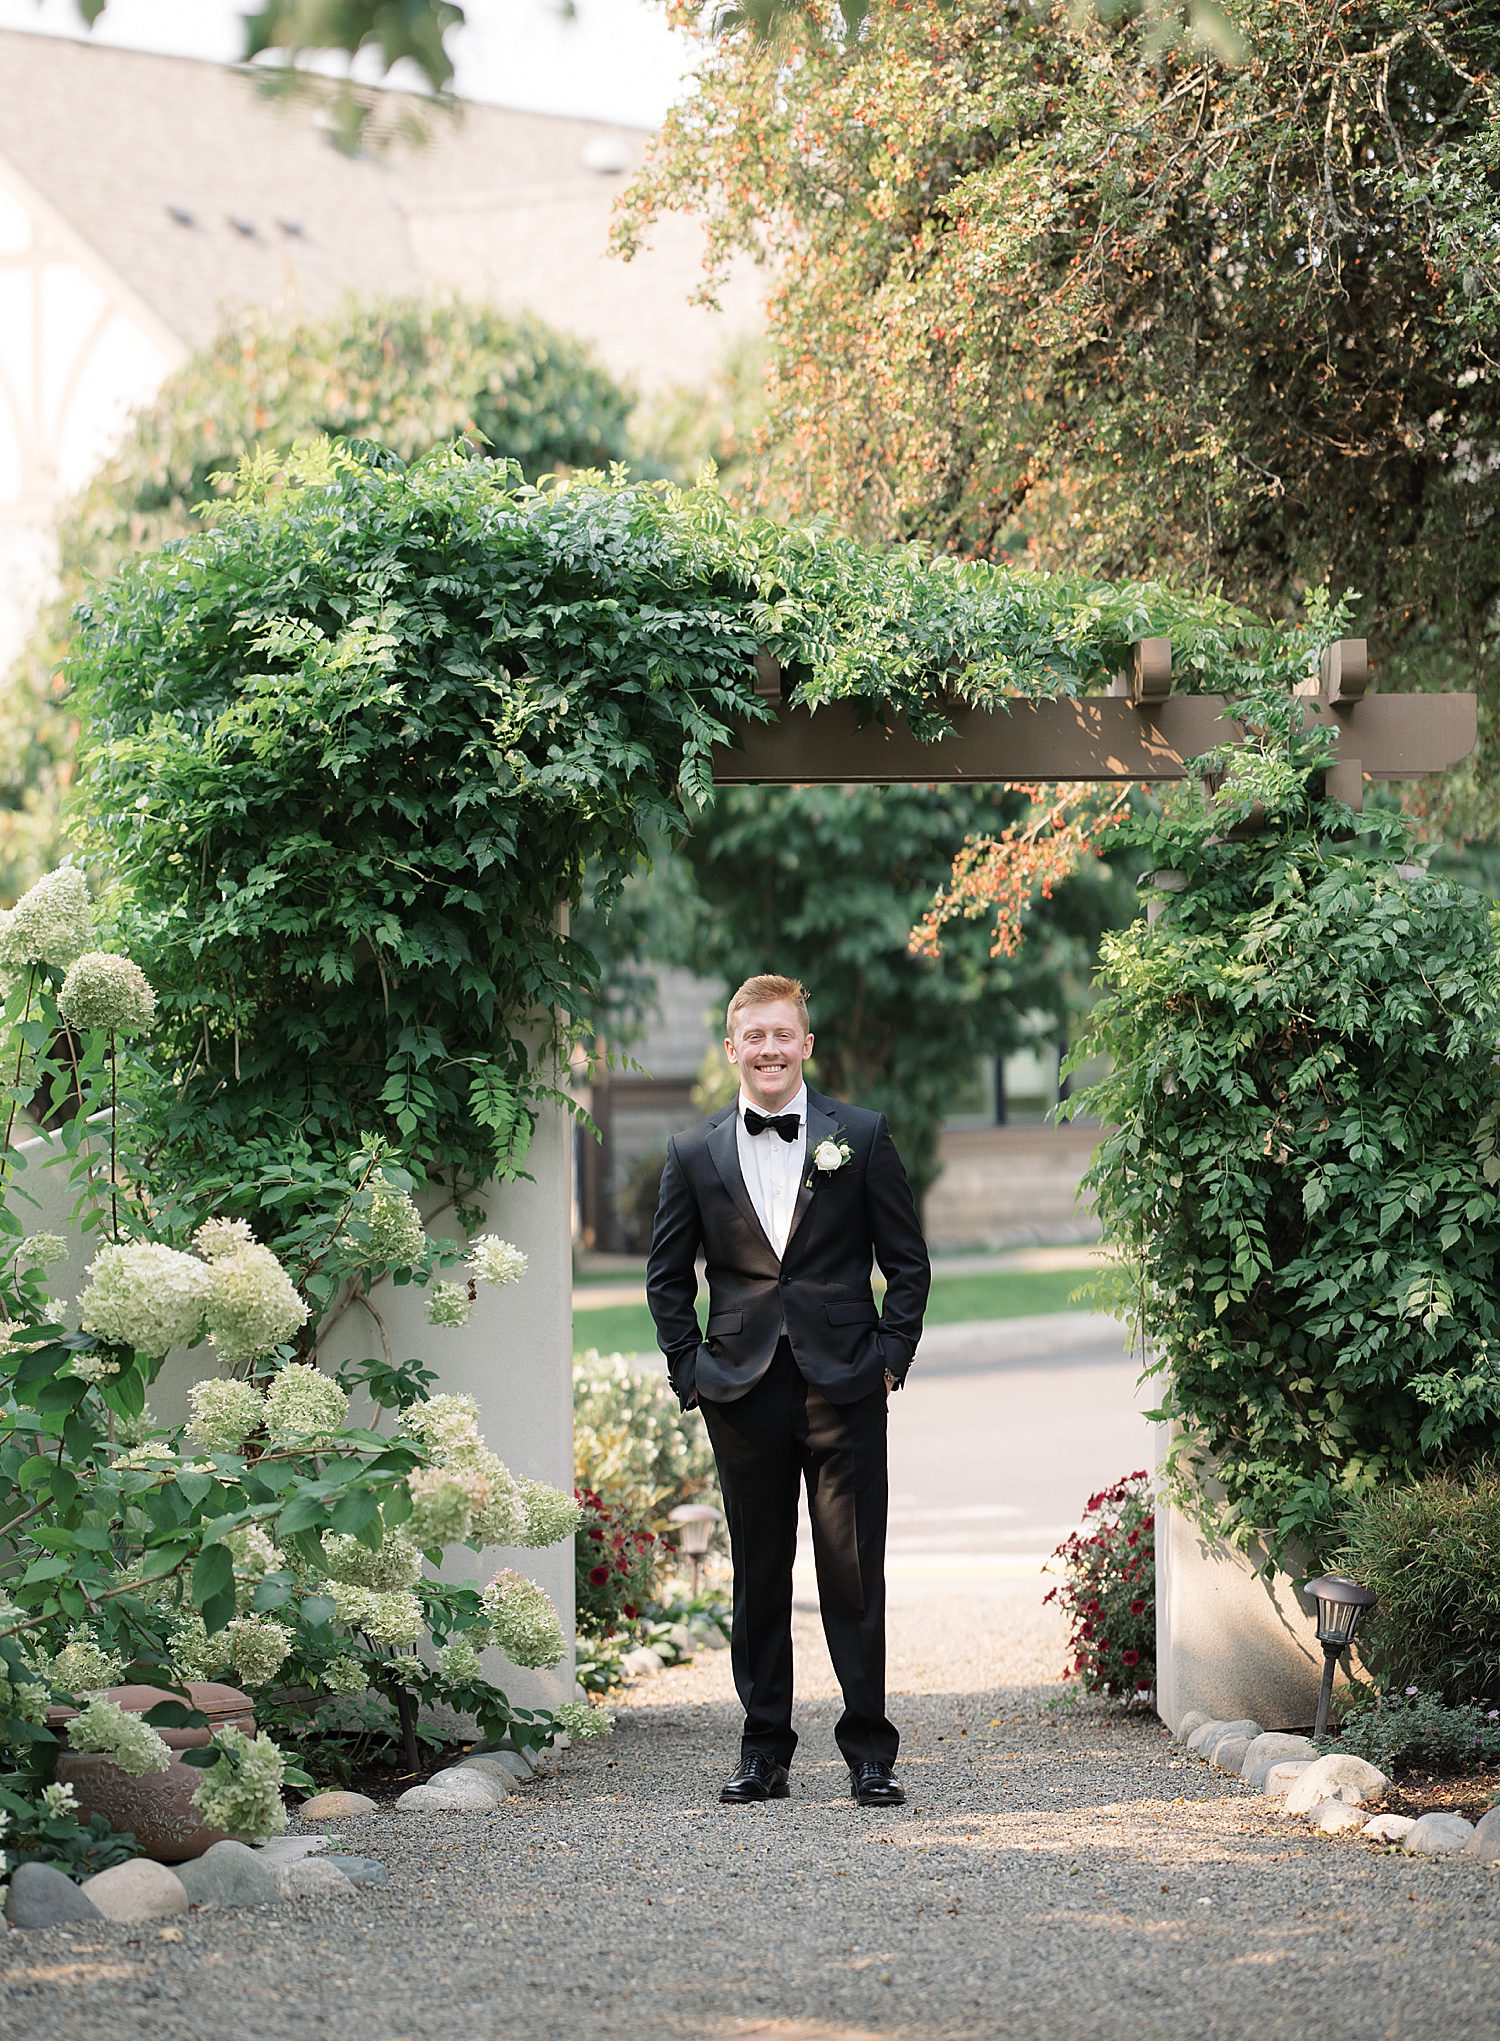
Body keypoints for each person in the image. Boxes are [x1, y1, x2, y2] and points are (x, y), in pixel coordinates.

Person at [645, 973, 931, 1807]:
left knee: (851, 1571)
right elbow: (667, 1276)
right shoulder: (694, 1152)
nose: (769, 1049)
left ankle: (869, 1752)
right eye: (754, 1037)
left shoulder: (864, 1136)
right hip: (741, 1388)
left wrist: (891, 1355)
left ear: (806, 1044)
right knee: (759, 1574)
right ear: (732, 1048)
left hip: (846, 1383)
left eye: (784, 1035)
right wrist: (690, 1367)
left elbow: (906, 1262)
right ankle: (764, 1749)